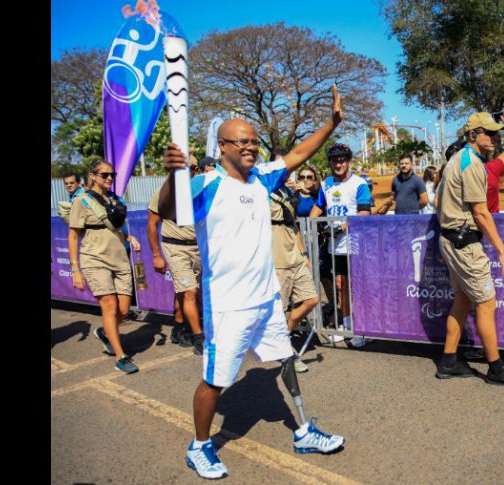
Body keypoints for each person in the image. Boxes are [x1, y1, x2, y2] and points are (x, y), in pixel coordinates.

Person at [159, 85, 346, 480]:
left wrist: (330, 124)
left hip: (265, 298)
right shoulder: (204, 184)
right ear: (223, 145)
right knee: (216, 379)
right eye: (241, 142)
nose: (250, 147)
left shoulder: (263, 178)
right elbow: (166, 208)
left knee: (286, 358)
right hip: (228, 304)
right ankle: (199, 445)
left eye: (254, 141)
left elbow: (298, 154)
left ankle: (302, 430)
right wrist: (173, 174)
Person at [434, 112, 504, 387]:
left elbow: (440, 199)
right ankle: (496, 369)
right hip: (464, 243)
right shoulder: (471, 163)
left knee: (463, 301)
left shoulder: (458, 159)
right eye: (489, 133)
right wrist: (503, 251)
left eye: (496, 133)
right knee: (487, 304)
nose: (494, 138)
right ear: (472, 134)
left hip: (452, 240)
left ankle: (449, 362)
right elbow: (481, 212)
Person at [68, 159, 142, 374]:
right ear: (92, 176)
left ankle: (104, 332)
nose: (109, 178)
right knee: (109, 306)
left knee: (124, 310)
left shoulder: (115, 200)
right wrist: (75, 270)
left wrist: (129, 237)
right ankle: (121, 356)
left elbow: (114, 229)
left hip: (120, 259)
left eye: (112, 175)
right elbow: (73, 236)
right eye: (104, 175)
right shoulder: (81, 202)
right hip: (94, 260)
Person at [309, 143, 372, 348]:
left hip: (354, 243)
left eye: (342, 160)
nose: (339, 163)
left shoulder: (359, 183)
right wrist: (310, 223)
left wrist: (347, 224)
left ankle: (364, 328)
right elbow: (319, 206)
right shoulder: (326, 184)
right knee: (340, 286)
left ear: (348, 161)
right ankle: (346, 324)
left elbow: (365, 211)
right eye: (335, 160)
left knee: (357, 287)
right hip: (334, 245)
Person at [146, 160, 205, 355]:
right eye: (186, 167)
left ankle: (179, 328)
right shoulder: (165, 193)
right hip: (175, 248)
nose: (191, 171)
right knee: (190, 291)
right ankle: (199, 337)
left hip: (198, 249)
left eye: (194, 168)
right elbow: (152, 224)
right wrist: (156, 255)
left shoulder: (200, 191)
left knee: (186, 292)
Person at [270, 182, 319, 373]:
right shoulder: (261, 193)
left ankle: (282, 334)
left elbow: (294, 225)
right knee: (279, 309)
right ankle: (287, 353)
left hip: (296, 259)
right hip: (276, 261)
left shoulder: (287, 192)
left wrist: (304, 253)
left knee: (311, 299)